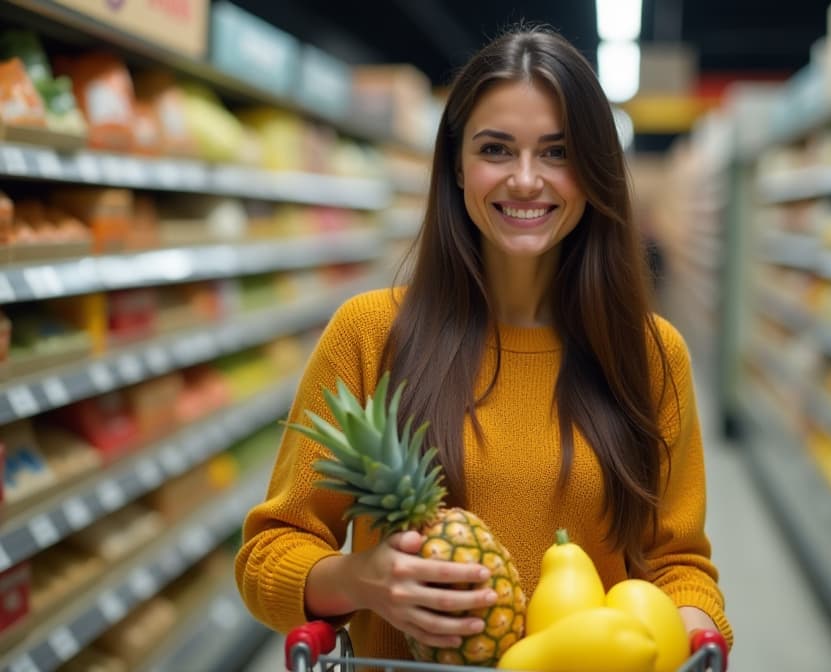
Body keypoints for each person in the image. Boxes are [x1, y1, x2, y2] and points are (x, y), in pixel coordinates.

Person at [235, 26, 733, 661]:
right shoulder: (368, 335)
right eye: (496, 149)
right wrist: (366, 581)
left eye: (558, 152)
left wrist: (693, 636)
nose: (526, 180)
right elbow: (269, 554)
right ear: (457, 166)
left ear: (596, 172)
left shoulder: (651, 352)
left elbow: (677, 561)